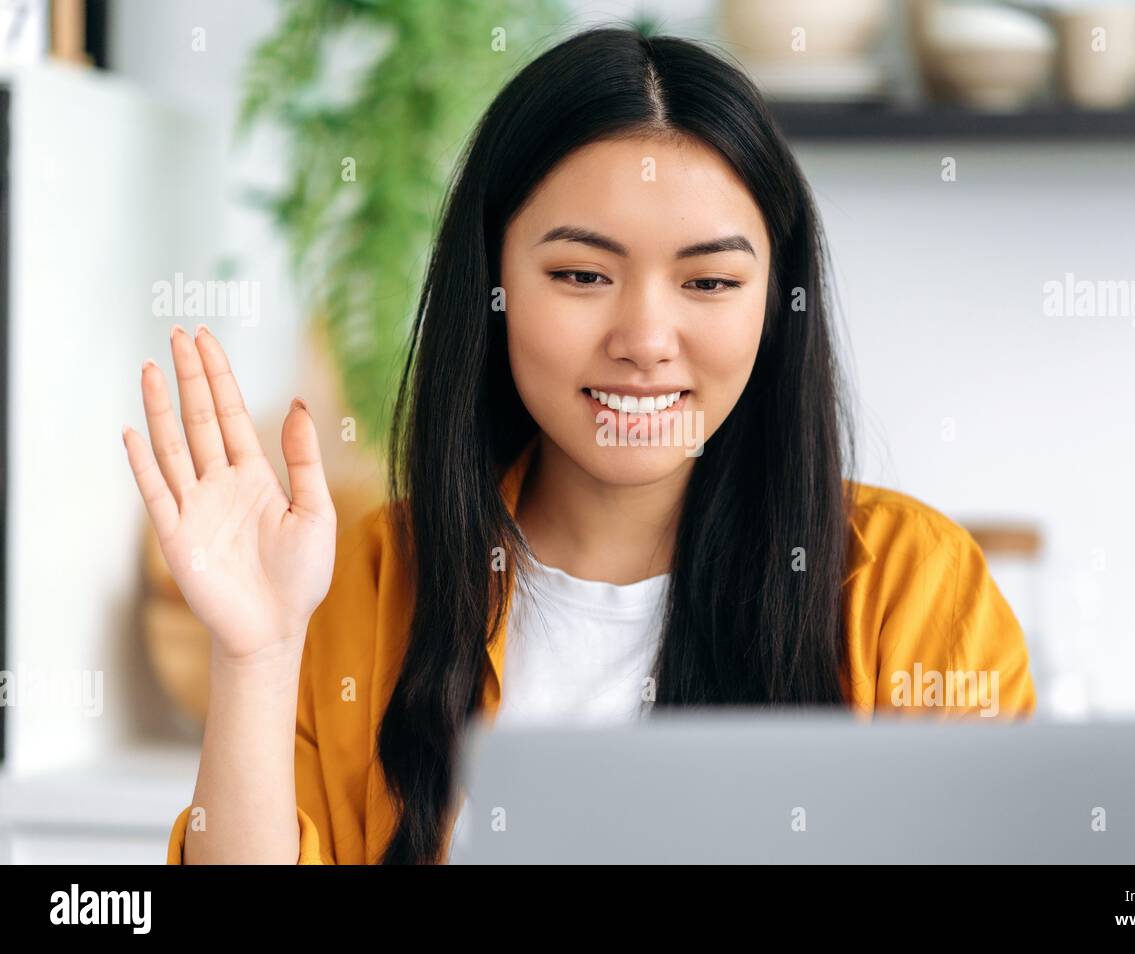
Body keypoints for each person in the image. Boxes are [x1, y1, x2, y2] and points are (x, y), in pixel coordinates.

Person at [121, 26, 1035, 865]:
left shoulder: (909, 586)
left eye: (710, 281)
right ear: (494, 283)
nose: (645, 337)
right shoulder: (368, 587)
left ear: (776, 301)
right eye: (581, 274)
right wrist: (256, 656)